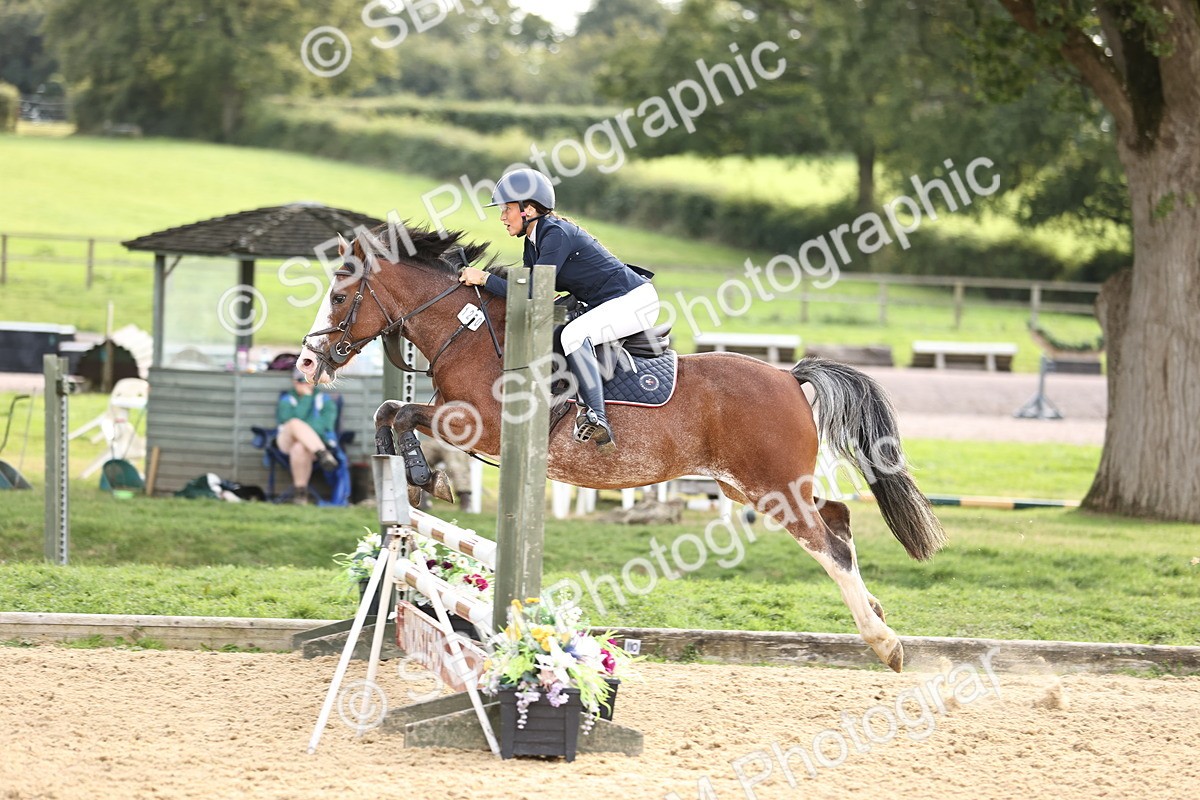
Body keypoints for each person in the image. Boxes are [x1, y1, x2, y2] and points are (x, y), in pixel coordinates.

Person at [458, 168, 660, 449]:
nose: (502, 217)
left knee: (572, 335)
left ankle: (597, 417)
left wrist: (484, 278)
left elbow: (531, 291)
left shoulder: (555, 233)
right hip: (602, 303)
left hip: (633, 302)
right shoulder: (533, 242)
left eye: (507, 209)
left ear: (528, 209)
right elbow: (533, 299)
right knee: (538, 318)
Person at [277, 367, 340, 504]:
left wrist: (304, 429)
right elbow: (287, 420)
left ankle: (301, 493)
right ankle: (323, 454)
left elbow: (324, 427)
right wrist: (306, 398)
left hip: (311, 444)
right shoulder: (286, 401)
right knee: (294, 423)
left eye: (308, 380)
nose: (305, 384)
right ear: (294, 382)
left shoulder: (325, 401)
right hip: (286, 441)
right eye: (300, 381)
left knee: (299, 447)